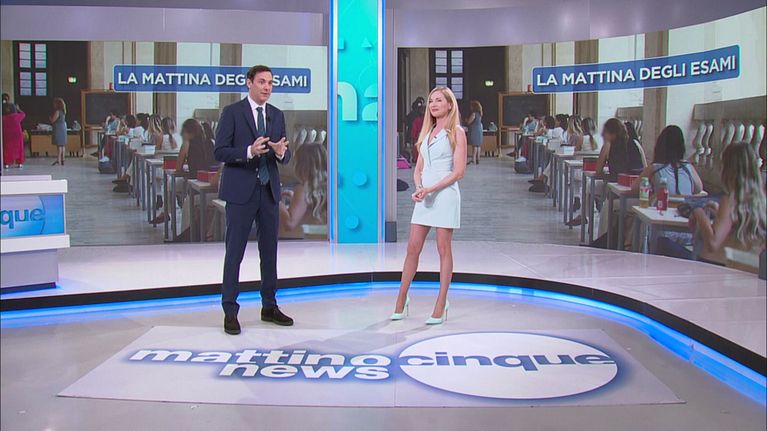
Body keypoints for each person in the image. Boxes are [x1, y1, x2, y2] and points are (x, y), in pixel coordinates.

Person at [214, 65, 293, 335]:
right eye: (261, 82)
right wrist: (249, 151)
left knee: (269, 252)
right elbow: (220, 151)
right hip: (240, 192)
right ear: (249, 83)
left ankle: (269, 306)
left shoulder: (276, 115)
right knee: (234, 252)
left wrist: (280, 152)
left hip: (268, 191)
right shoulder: (232, 113)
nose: (267, 87)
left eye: (270, 83)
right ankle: (230, 310)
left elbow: (286, 154)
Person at [390, 86, 466, 325]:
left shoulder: (457, 132)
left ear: (449, 105)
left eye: (439, 100)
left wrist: (431, 189)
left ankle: (441, 303)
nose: (433, 104)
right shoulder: (427, 132)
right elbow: (418, 169)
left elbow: (458, 172)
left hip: (445, 194)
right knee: (412, 247)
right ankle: (401, 299)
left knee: (443, 248)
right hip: (425, 195)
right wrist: (419, 187)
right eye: (431, 101)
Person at [686, 142, 766, 265]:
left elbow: (712, 244)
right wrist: (719, 213)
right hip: (745, 267)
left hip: (717, 266)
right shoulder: (759, 201)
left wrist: (699, 213)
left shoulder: (729, 200)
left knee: (664, 244)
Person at [631, 125, 703, 196]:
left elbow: (634, 188)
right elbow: (698, 189)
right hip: (685, 203)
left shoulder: (654, 168)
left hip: (663, 203)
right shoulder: (688, 167)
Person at [171, 119, 218, 228]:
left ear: (188, 132)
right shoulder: (212, 142)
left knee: (187, 202)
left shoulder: (187, 144)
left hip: (196, 186)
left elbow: (178, 168)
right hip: (211, 184)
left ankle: (186, 232)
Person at [279, 143, 328, 238]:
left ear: (302, 165)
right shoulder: (329, 187)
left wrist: (277, 201)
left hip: (305, 241)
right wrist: (296, 199)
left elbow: (289, 223)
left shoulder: (303, 189)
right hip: (322, 239)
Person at [2, 102, 26, 169]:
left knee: (7, 149)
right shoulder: (17, 116)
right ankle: (20, 162)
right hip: (17, 135)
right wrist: (19, 109)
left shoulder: (3, 118)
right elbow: (23, 114)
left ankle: (7, 163)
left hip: (7, 135)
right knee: (19, 149)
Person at [49, 98, 68, 166]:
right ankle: (63, 159)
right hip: (63, 128)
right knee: (62, 145)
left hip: (58, 129)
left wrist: (50, 118)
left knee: (59, 145)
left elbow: (53, 120)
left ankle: (58, 159)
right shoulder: (63, 111)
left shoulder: (57, 111)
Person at [466, 100, 483, 165]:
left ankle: (473, 159)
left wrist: (466, 120)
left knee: (474, 145)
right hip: (479, 130)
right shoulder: (480, 114)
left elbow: (469, 122)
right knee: (478, 145)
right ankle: (478, 159)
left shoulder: (474, 114)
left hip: (474, 130)